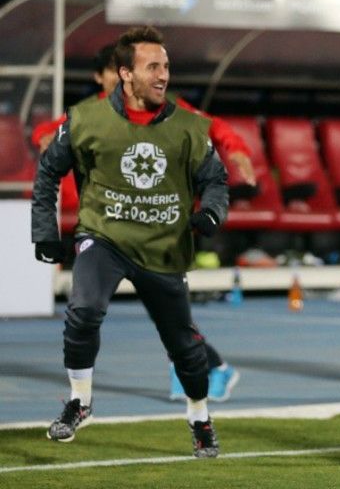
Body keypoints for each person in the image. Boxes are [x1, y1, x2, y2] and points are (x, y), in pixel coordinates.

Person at [31, 26, 228, 457]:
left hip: (162, 246)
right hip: (103, 237)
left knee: (185, 347)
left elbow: (215, 178)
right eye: (152, 66)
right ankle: (79, 402)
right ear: (125, 73)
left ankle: (200, 417)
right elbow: (48, 172)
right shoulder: (85, 119)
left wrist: (212, 211)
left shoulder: (190, 127)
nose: (163, 75)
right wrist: (45, 231)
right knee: (82, 311)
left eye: (166, 66)